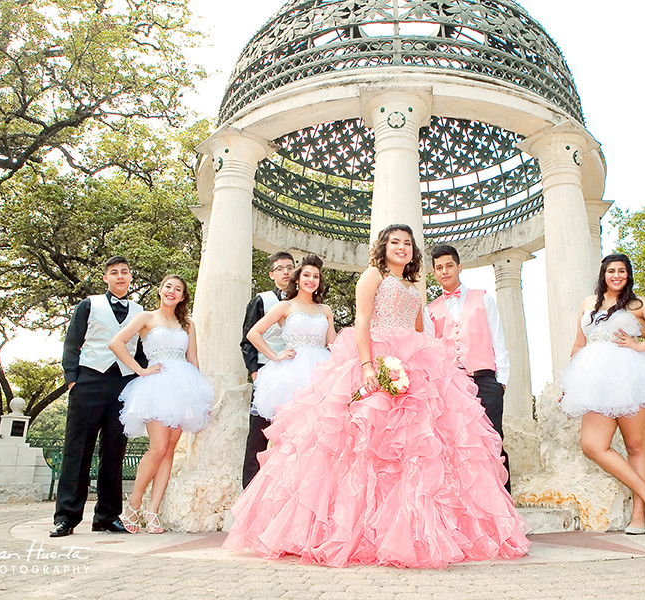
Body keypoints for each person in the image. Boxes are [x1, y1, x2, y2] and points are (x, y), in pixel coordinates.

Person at [223, 224, 529, 568]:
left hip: (414, 364)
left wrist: (425, 367)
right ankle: (356, 529)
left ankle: (414, 530)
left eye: (407, 243)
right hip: (375, 357)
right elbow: (363, 321)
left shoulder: (416, 285)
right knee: (363, 447)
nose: (402, 247)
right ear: (383, 247)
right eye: (395, 242)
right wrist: (368, 365)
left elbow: (418, 331)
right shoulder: (372, 275)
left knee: (417, 448)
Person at [559, 254, 645, 534]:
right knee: (592, 445)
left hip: (630, 377)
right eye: (611, 270)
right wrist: (569, 384)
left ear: (628, 275)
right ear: (603, 273)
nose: (617, 275)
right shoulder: (588, 304)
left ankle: (639, 514)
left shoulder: (637, 304)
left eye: (622, 271)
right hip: (595, 381)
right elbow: (579, 345)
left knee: (635, 447)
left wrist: (642, 346)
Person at [108, 274, 214, 534]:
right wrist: (139, 370)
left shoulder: (187, 324)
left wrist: (200, 396)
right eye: (168, 286)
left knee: (168, 451)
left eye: (178, 289)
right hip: (156, 387)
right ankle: (133, 506)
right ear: (160, 290)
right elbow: (116, 343)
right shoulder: (146, 318)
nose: (172, 292)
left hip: (183, 388)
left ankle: (153, 512)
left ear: (182, 296)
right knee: (156, 448)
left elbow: (193, 359)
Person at [51, 256, 145, 537]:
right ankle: (66, 517)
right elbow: (72, 342)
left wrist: (140, 378)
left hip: (123, 383)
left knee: (115, 451)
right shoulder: (89, 304)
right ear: (106, 278)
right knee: (77, 450)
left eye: (124, 273)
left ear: (130, 278)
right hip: (89, 379)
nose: (119, 277)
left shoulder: (140, 311)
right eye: (113, 273)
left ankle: (107, 515)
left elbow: (140, 350)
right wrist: (72, 380)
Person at [424, 244, 512, 491]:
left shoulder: (483, 299)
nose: (444, 271)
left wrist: (500, 382)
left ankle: (505, 510)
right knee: (459, 445)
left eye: (449, 265)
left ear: (459, 267)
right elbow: (433, 353)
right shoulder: (430, 310)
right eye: (439, 268)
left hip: (486, 380)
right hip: (453, 385)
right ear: (434, 272)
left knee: (493, 443)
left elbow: (498, 341)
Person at [247, 254, 335, 422]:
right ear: (297, 279)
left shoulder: (326, 310)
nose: (311, 280)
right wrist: (275, 356)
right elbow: (253, 333)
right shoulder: (285, 306)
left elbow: (333, 344)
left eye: (316, 276)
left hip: (321, 371)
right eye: (307, 275)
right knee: (291, 426)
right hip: (292, 371)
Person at [241, 251, 295, 487]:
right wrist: (255, 372)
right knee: (259, 433)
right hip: (267, 373)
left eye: (290, 267)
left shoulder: (302, 301)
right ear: (272, 274)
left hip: (296, 376)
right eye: (280, 268)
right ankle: (249, 490)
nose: (286, 272)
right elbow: (247, 339)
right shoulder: (261, 300)